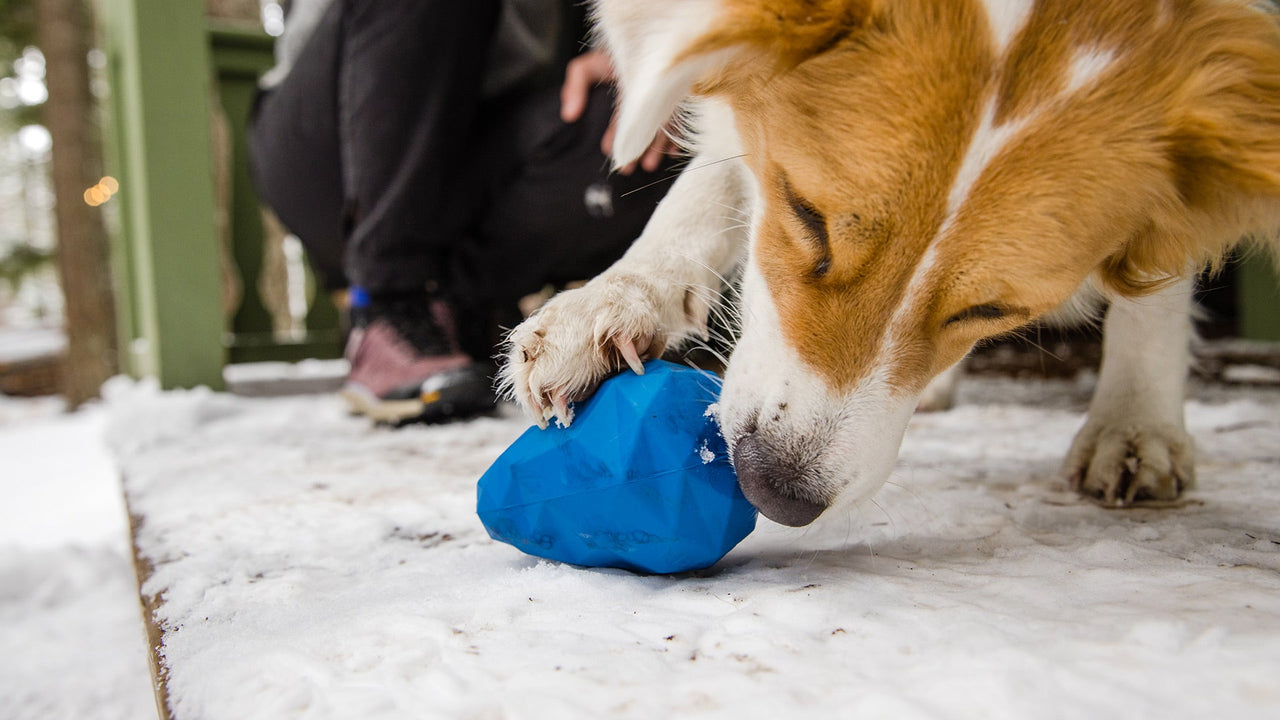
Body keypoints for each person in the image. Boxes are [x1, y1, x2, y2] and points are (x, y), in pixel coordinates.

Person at [247, 0, 676, 424]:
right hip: (335, 142)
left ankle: (457, 312)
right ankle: (387, 302)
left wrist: (636, 52)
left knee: (648, 128)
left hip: (489, 147)